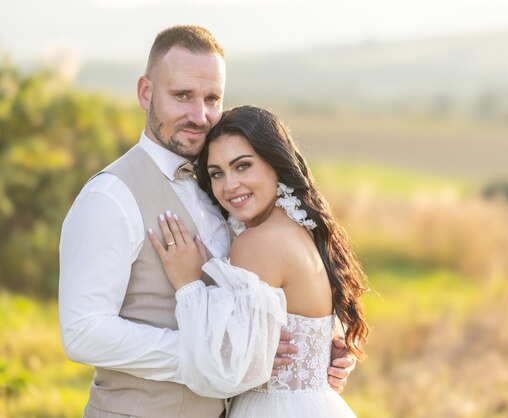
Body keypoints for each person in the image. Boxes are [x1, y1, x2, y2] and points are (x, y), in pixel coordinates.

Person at [59, 25, 355, 418]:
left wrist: (316, 349)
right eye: (182, 95)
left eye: (211, 98)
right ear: (146, 92)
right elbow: (83, 332)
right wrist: (224, 357)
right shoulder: (110, 197)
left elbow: (264, 289)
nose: (199, 115)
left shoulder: (223, 188)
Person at [148, 105, 369, 417]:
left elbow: (224, 369)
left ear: (275, 163)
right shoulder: (303, 230)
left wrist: (188, 285)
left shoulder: (256, 242)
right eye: (216, 174)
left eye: (242, 166)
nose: (229, 186)